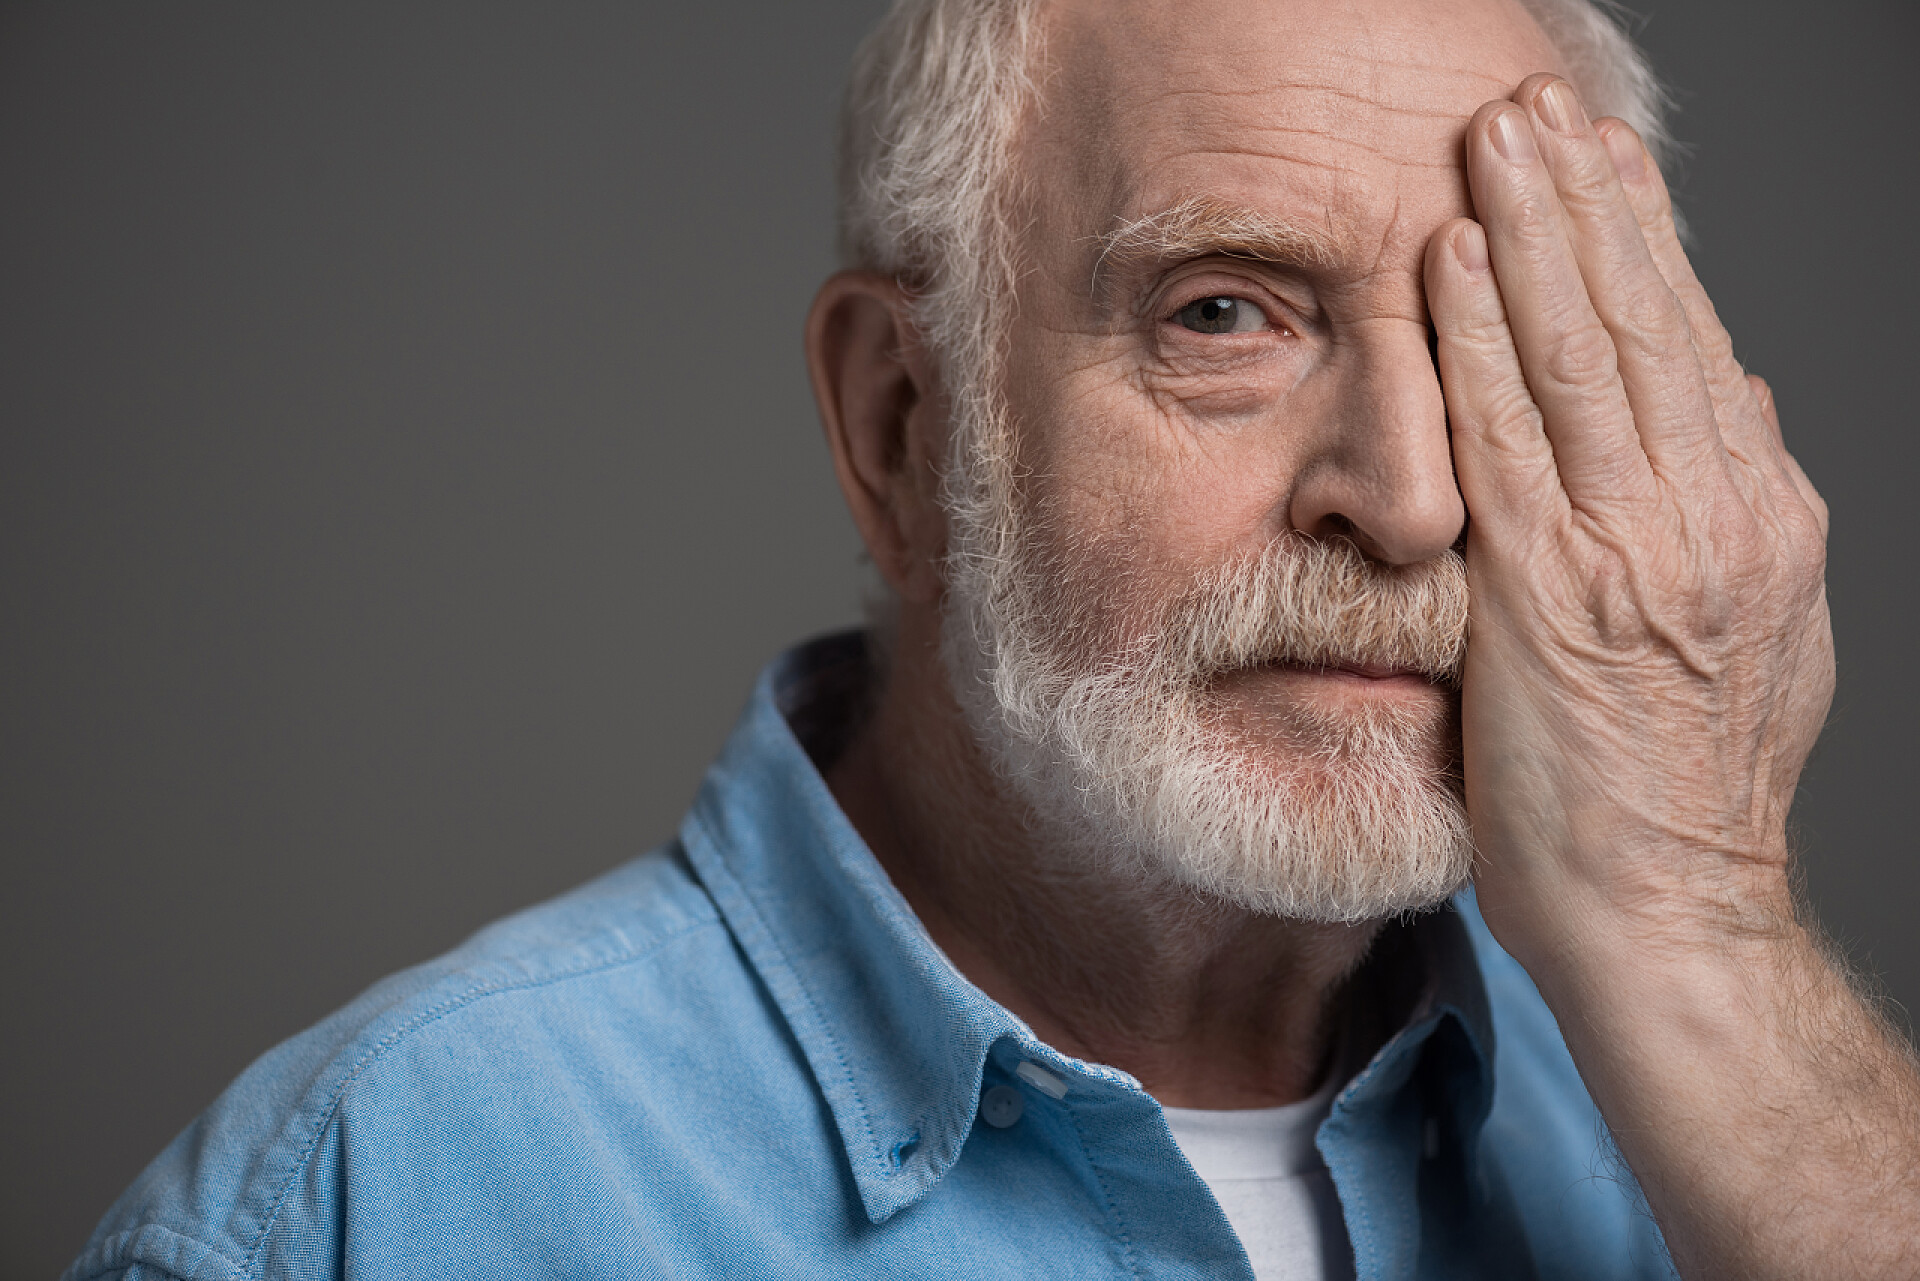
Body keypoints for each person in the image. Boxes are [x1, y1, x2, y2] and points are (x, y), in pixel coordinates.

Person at [66, 0, 1920, 1277]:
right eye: (1226, 313)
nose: (1413, 498)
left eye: (1495, 345)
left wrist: (1702, 920)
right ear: (903, 425)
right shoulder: (361, 1213)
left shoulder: (1731, 1136)